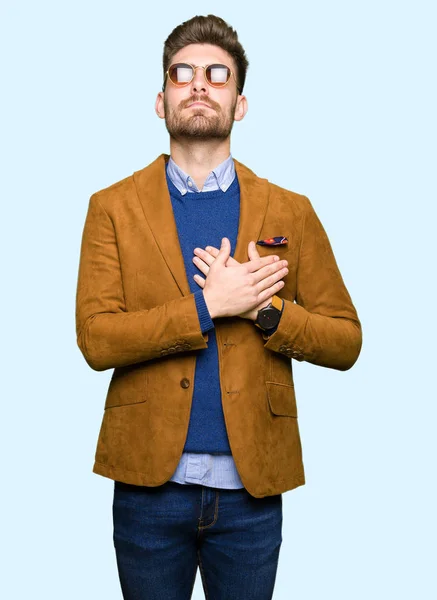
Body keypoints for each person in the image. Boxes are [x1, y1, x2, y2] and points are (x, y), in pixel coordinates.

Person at [75, 13, 362, 600]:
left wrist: (265, 311)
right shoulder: (111, 207)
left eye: (217, 74)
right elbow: (97, 339)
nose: (199, 84)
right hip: (147, 491)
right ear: (160, 101)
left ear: (241, 102)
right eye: (182, 74)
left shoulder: (292, 211)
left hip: (252, 496)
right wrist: (208, 305)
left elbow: (345, 339)